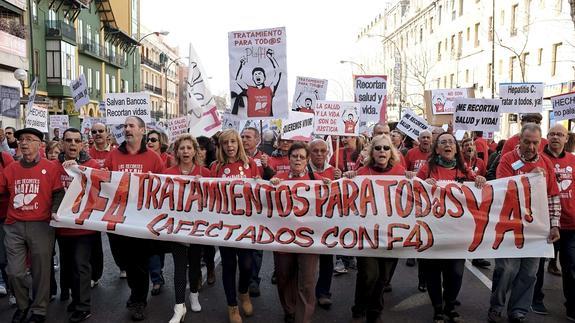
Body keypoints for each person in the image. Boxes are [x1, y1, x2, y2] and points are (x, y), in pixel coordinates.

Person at [488, 123, 560, 323]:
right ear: (519, 140)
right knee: (506, 270)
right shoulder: (507, 160)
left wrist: (555, 225)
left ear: (540, 142)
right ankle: (496, 307)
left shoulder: (547, 163)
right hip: (510, 226)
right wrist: (531, 178)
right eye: (527, 142)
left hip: (536, 228)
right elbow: (504, 191)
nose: (531, 146)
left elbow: (553, 197)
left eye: (535, 143)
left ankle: (518, 311)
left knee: (529, 273)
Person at [417, 132, 486, 323]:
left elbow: (478, 191)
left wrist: (479, 180)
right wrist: (422, 184)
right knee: (433, 272)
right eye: (443, 142)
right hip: (433, 231)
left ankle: (450, 305)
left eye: (451, 142)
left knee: (455, 272)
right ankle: (438, 309)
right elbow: (412, 191)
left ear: (456, 148)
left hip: (457, 233)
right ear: (437, 148)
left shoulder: (465, 171)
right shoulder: (426, 169)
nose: (448, 145)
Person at [344, 134, 412, 323]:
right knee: (368, 274)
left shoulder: (401, 173)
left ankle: (375, 312)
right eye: (378, 148)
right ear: (372, 152)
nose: (382, 151)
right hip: (367, 234)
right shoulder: (362, 173)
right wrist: (349, 177)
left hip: (393, 234)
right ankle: (359, 308)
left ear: (391, 152)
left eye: (386, 148)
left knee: (383, 276)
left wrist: (417, 180)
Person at [0, 128, 65, 323]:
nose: (24, 143)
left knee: (41, 271)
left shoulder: (51, 167)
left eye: (29, 139)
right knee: (14, 272)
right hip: (14, 226)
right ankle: (22, 305)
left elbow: (59, 193)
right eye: (21, 140)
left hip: (41, 225)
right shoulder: (11, 168)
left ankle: (39, 309)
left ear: (40, 144)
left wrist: (55, 210)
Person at [104, 116, 165, 321]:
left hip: (141, 221)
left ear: (142, 130)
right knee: (125, 261)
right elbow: (102, 181)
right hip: (117, 220)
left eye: (131, 126)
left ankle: (139, 301)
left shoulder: (153, 158)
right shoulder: (113, 156)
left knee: (139, 263)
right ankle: (135, 292)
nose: (127, 129)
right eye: (125, 126)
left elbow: (164, 188)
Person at [270, 141, 326, 323]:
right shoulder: (279, 179)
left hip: (308, 240)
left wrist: (331, 186)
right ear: (289, 158)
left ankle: (303, 318)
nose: (298, 160)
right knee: (284, 277)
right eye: (295, 156)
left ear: (307, 159)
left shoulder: (317, 180)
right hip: (283, 239)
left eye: (302, 157)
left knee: (307, 282)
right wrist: (271, 187)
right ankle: (290, 310)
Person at [210, 129, 259, 323]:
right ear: (221, 146)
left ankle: (244, 292)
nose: (230, 146)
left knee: (247, 264)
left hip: (246, 224)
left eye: (233, 142)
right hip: (224, 225)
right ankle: (232, 306)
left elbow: (261, 189)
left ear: (238, 143)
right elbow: (207, 192)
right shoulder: (215, 167)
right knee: (229, 265)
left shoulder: (250, 164)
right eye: (225, 143)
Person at [53, 128, 100, 323]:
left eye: (76, 141)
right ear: (62, 143)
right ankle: (76, 300)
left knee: (81, 266)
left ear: (82, 144)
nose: (72, 144)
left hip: (84, 227)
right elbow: (53, 191)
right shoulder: (54, 166)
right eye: (68, 140)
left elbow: (101, 189)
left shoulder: (92, 164)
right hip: (63, 228)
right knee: (69, 266)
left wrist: (79, 170)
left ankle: (83, 306)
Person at [165, 134, 209, 323]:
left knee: (194, 265)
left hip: (197, 227)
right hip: (176, 227)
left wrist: (205, 185)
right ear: (176, 151)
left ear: (195, 151)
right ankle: (179, 306)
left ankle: (194, 294)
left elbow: (215, 198)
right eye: (181, 148)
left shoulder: (205, 172)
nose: (185, 151)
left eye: (189, 148)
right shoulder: (168, 172)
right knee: (179, 267)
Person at [542, 125, 575, 321]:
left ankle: (571, 305)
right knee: (536, 268)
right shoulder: (539, 159)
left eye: (560, 134)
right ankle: (535, 299)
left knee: (571, 267)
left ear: (566, 139)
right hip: (543, 224)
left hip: (570, 224)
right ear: (547, 138)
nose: (556, 137)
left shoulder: (573, 161)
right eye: (552, 134)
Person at [241, 127, 273, 297]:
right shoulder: (235, 157)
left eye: (248, 137)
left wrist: (267, 168)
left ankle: (253, 280)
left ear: (257, 139)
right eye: (243, 137)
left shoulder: (264, 158)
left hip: (259, 208)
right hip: (240, 209)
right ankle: (243, 280)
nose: (245, 140)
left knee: (256, 248)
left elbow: (274, 179)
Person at [308, 139, 336, 310]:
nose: (319, 154)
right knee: (306, 261)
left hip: (327, 222)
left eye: (322, 151)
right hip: (307, 222)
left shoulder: (334, 171)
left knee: (327, 259)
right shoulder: (302, 169)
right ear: (309, 153)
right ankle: (305, 292)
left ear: (327, 152)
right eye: (315, 151)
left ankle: (323, 292)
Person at [145, 129, 171, 296]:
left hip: (168, 209)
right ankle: (156, 278)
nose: (149, 142)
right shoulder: (144, 159)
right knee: (152, 245)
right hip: (149, 208)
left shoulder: (170, 160)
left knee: (166, 245)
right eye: (148, 139)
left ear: (161, 143)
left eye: (153, 139)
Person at [234, 49, 282, 117]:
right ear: (253, 79)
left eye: (259, 74)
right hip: (252, 122)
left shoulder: (270, 89)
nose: (257, 75)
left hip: (267, 121)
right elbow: (238, 80)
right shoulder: (249, 89)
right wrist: (241, 65)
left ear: (264, 77)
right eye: (255, 74)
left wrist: (271, 58)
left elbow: (278, 72)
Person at [196, 136, 218, 285]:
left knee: (207, 243)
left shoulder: (213, 167)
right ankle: (196, 274)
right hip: (192, 211)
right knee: (194, 245)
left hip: (208, 210)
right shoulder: (189, 166)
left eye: (202, 149)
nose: (199, 152)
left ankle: (210, 268)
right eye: (197, 148)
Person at [0, 147, 14, 298]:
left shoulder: (5, 158)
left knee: (4, 258)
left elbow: (11, 185)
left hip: (4, 216)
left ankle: (13, 291)